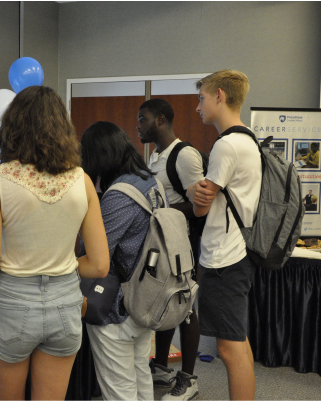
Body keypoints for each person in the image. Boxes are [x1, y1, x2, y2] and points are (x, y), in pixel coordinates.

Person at [0, 86, 109, 401]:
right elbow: (100, 265)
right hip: (65, 303)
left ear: (12, 127)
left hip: (12, 303)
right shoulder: (82, 180)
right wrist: (58, 265)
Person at [186, 70, 261, 401]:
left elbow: (201, 206)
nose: (198, 107)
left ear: (219, 95)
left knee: (230, 349)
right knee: (237, 342)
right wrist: (199, 191)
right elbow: (207, 195)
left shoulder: (226, 146)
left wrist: (193, 191)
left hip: (225, 257)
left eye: (201, 98)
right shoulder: (248, 138)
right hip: (238, 253)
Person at [80, 121, 168, 401]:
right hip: (147, 297)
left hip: (117, 307)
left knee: (119, 389)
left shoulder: (119, 195)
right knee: (141, 374)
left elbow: (95, 254)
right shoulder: (150, 181)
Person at [137, 98, 202, 401]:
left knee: (185, 307)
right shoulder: (155, 157)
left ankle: (188, 378)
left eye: (143, 119)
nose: (138, 124)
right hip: (162, 244)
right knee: (163, 299)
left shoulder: (184, 155)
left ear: (160, 121)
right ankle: (161, 366)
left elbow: (202, 205)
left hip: (182, 245)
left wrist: (161, 211)